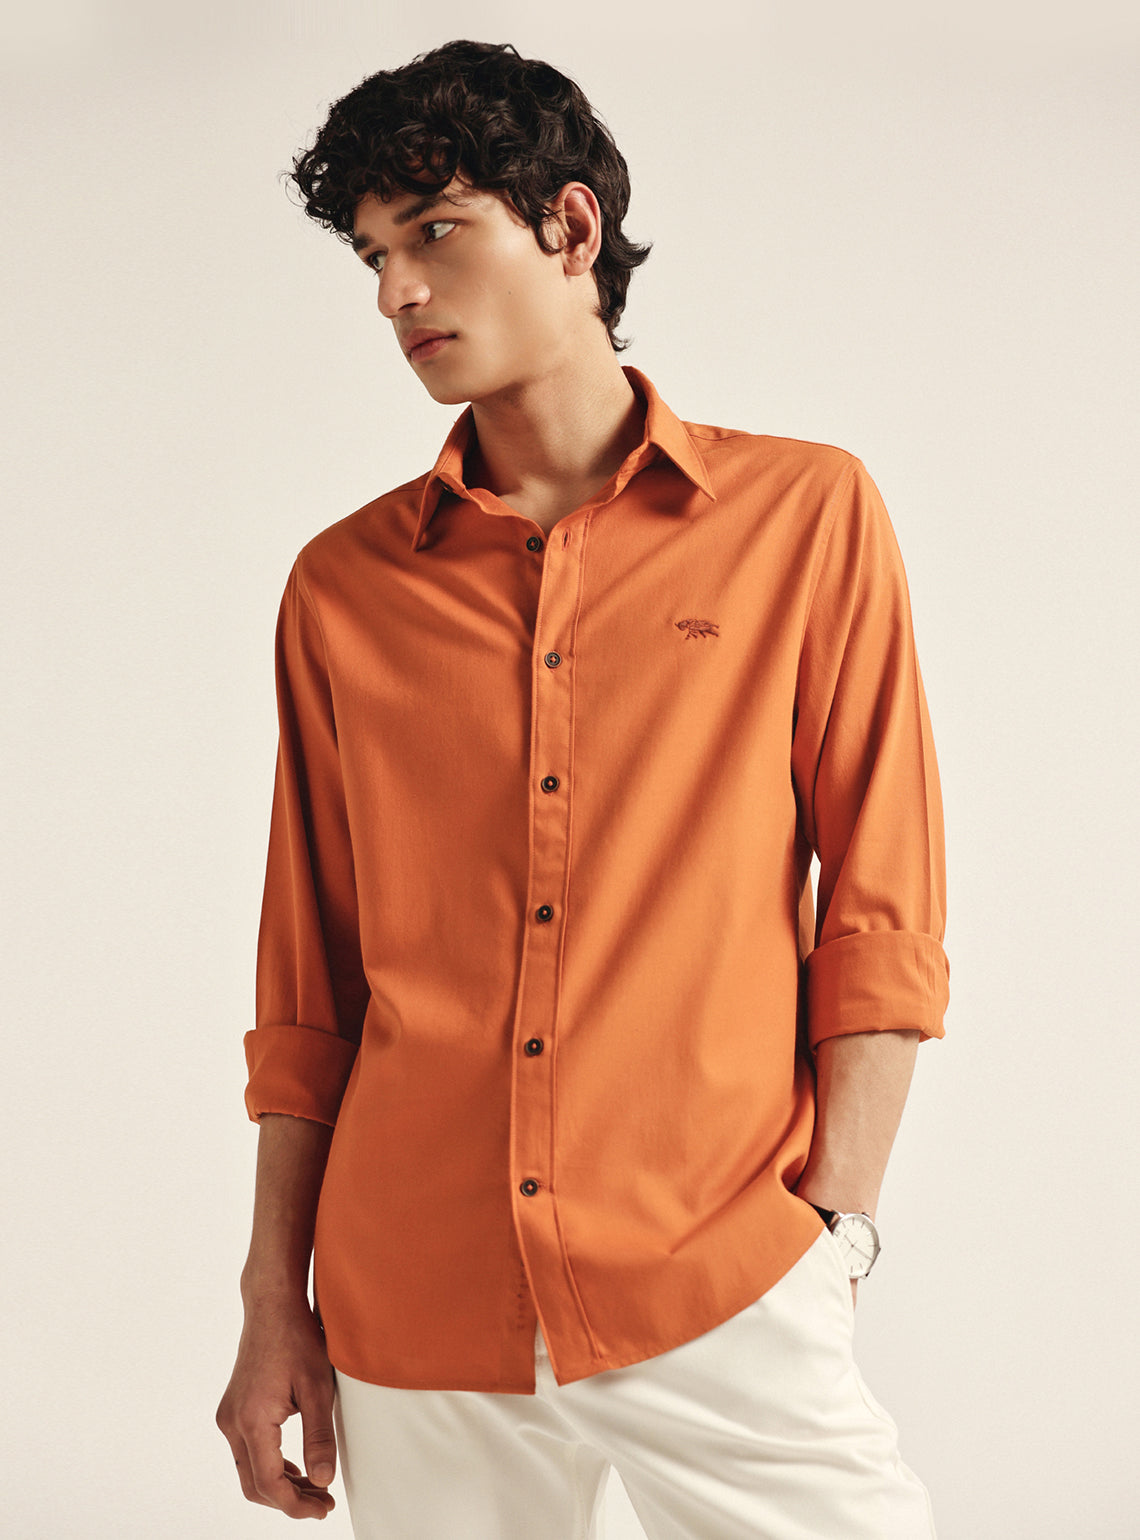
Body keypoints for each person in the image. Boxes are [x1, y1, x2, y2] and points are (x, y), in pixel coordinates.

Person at [216, 38, 950, 1540]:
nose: (396, 293)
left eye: (435, 232)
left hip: (718, 1272)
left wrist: (837, 1229)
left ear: (569, 226)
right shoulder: (344, 588)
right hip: (416, 1301)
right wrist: (271, 1297)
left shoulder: (804, 518)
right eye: (373, 255)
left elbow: (883, 908)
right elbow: (310, 983)